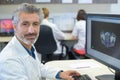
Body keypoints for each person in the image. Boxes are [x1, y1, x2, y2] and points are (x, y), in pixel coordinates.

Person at [0, 3, 80, 80]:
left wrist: (60, 74)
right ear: (15, 27)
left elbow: (38, 67)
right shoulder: (8, 61)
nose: (31, 31)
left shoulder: (28, 45)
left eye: (35, 24)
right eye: (25, 24)